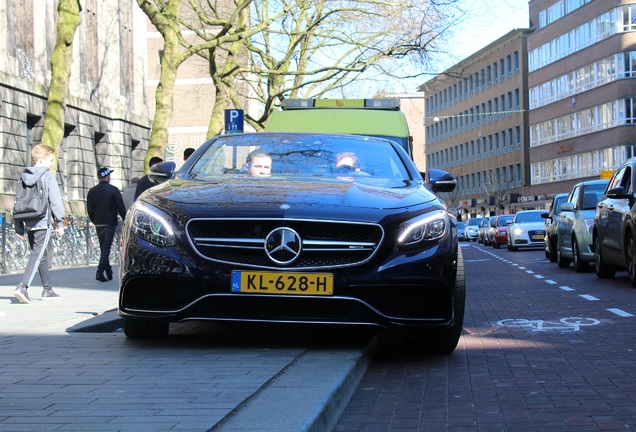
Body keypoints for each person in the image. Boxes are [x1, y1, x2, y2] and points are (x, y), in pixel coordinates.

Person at [14, 144, 65, 303]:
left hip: (28, 219)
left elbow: (17, 201)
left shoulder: (23, 176)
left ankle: (47, 289)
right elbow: (55, 200)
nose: (51, 163)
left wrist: (19, 228)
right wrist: (60, 223)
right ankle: (23, 286)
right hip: (43, 220)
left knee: (41, 255)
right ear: (42, 160)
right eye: (50, 160)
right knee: (37, 254)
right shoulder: (47, 175)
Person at [86, 167, 127, 282]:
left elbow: (89, 209)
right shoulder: (113, 190)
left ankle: (108, 271)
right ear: (107, 176)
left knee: (103, 247)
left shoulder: (92, 191)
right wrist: (125, 219)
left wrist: (94, 220)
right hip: (110, 222)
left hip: (99, 222)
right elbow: (120, 207)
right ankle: (99, 271)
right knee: (106, 248)